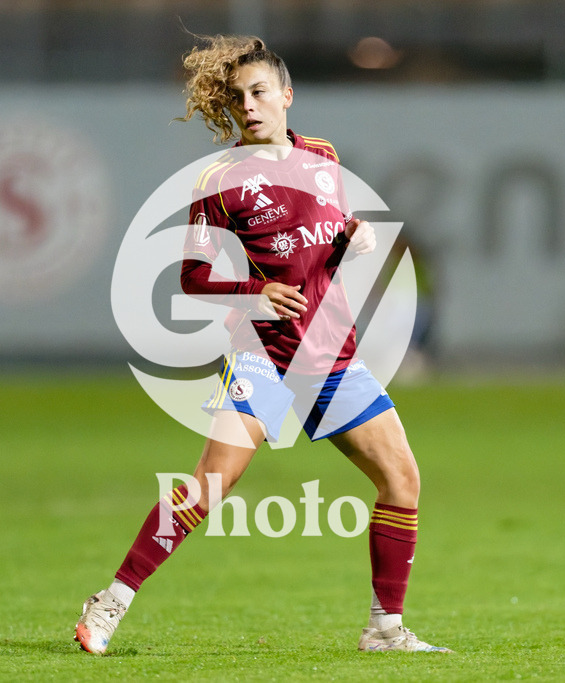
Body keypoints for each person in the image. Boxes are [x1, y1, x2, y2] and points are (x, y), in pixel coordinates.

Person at [74, 34, 452, 654]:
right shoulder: (218, 180)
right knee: (209, 486)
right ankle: (112, 600)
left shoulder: (324, 158)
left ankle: (385, 629)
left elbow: (323, 235)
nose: (249, 105)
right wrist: (256, 292)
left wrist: (350, 237)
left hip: (330, 354)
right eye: (238, 96)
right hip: (263, 355)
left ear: (286, 95)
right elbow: (193, 279)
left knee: (402, 480)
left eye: (259, 92)